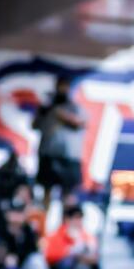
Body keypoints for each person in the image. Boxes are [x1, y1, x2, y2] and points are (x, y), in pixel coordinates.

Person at [34, 77, 86, 213]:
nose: (62, 90)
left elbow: (82, 123)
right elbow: (34, 125)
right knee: (46, 191)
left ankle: (65, 227)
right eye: (60, 86)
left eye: (65, 87)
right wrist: (45, 111)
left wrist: (62, 115)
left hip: (68, 156)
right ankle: (43, 227)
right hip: (48, 154)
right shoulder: (47, 107)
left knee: (67, 195)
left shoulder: (74, 107)